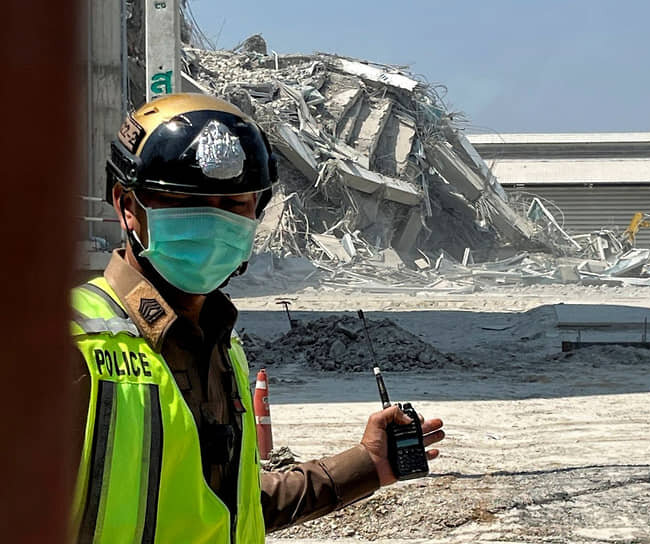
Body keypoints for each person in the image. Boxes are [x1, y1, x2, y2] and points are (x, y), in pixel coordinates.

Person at [69, 94, 445, 543]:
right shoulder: (69, 343)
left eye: (234, 205)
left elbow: (232, 509)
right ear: (127, 205)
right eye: (187, 202)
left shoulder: (225, 348)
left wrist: (368, 463)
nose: (213, 222)